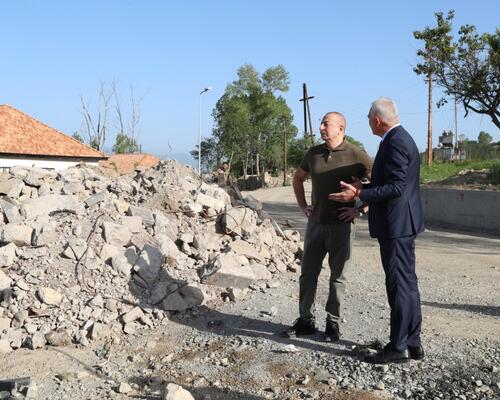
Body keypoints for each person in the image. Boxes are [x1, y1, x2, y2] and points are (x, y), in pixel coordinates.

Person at [329, 97, 425, 363]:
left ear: (377, 120)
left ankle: (399, 346)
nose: (368, 121)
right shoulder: (399, 138)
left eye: (369, 118)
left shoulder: (395, 142)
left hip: (396, 225)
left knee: (399, 286)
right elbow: (393, 183)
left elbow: (396, 187)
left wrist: (359, 194)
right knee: (408, 284)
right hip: (402, 223)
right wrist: (365, 188)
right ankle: (413, 342)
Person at [286, 112, 373, 342]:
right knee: (308, 275)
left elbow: (380, 185)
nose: (321, 127)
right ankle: (306, 320)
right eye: (321, 123)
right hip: (315, 225)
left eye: (326, 124)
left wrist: (361, 210)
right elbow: (298, 178)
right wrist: (303, 205)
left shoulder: (356, 154)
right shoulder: (314, 153)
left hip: (341, 226)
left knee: (338, 277)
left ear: (341, 128)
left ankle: (332, 323)